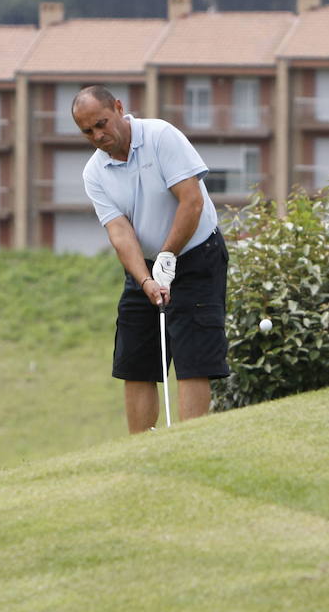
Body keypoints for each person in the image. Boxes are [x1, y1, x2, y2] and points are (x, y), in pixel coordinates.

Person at [73, 84, 230, 432]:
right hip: (143, 267)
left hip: (197, 255)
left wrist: (168, 254)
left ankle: (189, 443)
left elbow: (192, 202)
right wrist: (145, 279)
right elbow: (119, 233)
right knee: (136, 360)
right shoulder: (94, 173)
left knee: (194, 356)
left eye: (102, 123)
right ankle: (142, 448)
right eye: (88, 131)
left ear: (118, 107)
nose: (98, 135)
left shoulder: (160, 136)